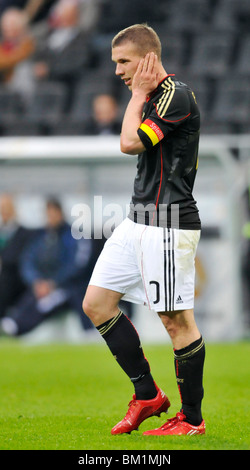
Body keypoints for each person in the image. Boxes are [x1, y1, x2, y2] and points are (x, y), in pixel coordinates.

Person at [83, 24, 205, 436]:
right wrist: (138, 95)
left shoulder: (176, 96)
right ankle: (149, 395)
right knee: (97, 303)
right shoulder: (153, 97)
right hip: (138, 222)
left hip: (169, 224)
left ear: (148, 58)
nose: (118, 71)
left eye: (124, 62)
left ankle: (191, 420)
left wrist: (136, 96)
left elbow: (130, 142)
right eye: (115, 62)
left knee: (176, 321)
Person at [1, 197, 94, 336]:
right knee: (31, 298)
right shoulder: (41, 237)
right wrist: (36, 281)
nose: (50, 218)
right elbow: (28, 261)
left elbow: (76, 265)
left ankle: (16, 327)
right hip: (42, 285)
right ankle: (11, 324)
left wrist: (53, 283)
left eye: (52, 213)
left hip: (67, 288)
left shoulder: (74, 236)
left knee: (45, 303)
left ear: (60, 213)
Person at [0, 193, 33, 319]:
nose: (4, 211)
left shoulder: (24, 234)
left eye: (7, 207)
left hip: (17, 279)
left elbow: (21, 258)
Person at [0, 7, 35, 99]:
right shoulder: (3, 45)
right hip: (3, 82)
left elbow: (17, 58)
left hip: (19, 85)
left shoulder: (27, 44)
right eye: (6, 27)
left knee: (24, 69)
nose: (8, 31)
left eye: (12, 27)